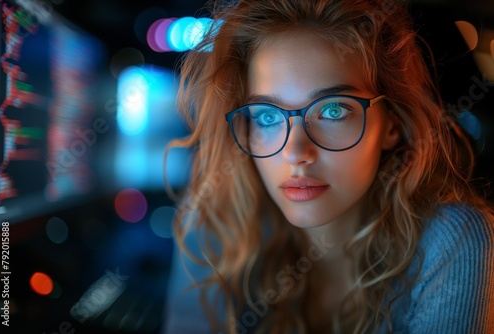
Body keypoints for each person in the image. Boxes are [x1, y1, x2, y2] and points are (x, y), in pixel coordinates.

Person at [162, 0, 494, 333]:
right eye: (266, 116)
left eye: (333, 110)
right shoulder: (214, 222)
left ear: (392, 122)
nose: (296, 153)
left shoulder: (451, 243)